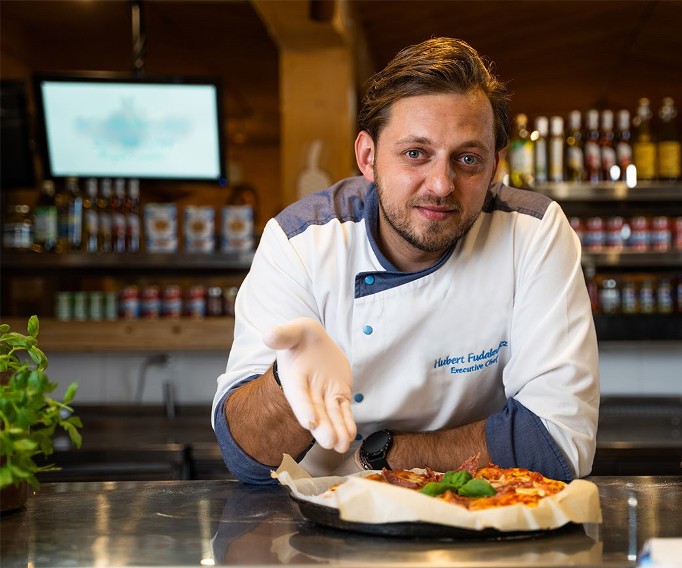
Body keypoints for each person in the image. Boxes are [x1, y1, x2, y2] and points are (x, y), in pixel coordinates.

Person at [213, 37, 599, 484]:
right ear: (368, 157)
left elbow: (557, 442)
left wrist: (380, 455)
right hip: (322, 528)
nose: (440, 184)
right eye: (415, 154)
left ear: (495, 167)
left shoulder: (533, 234)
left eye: (468, 159)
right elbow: (246, 460)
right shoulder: (301, 241)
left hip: (479, 516)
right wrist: (287, 383)